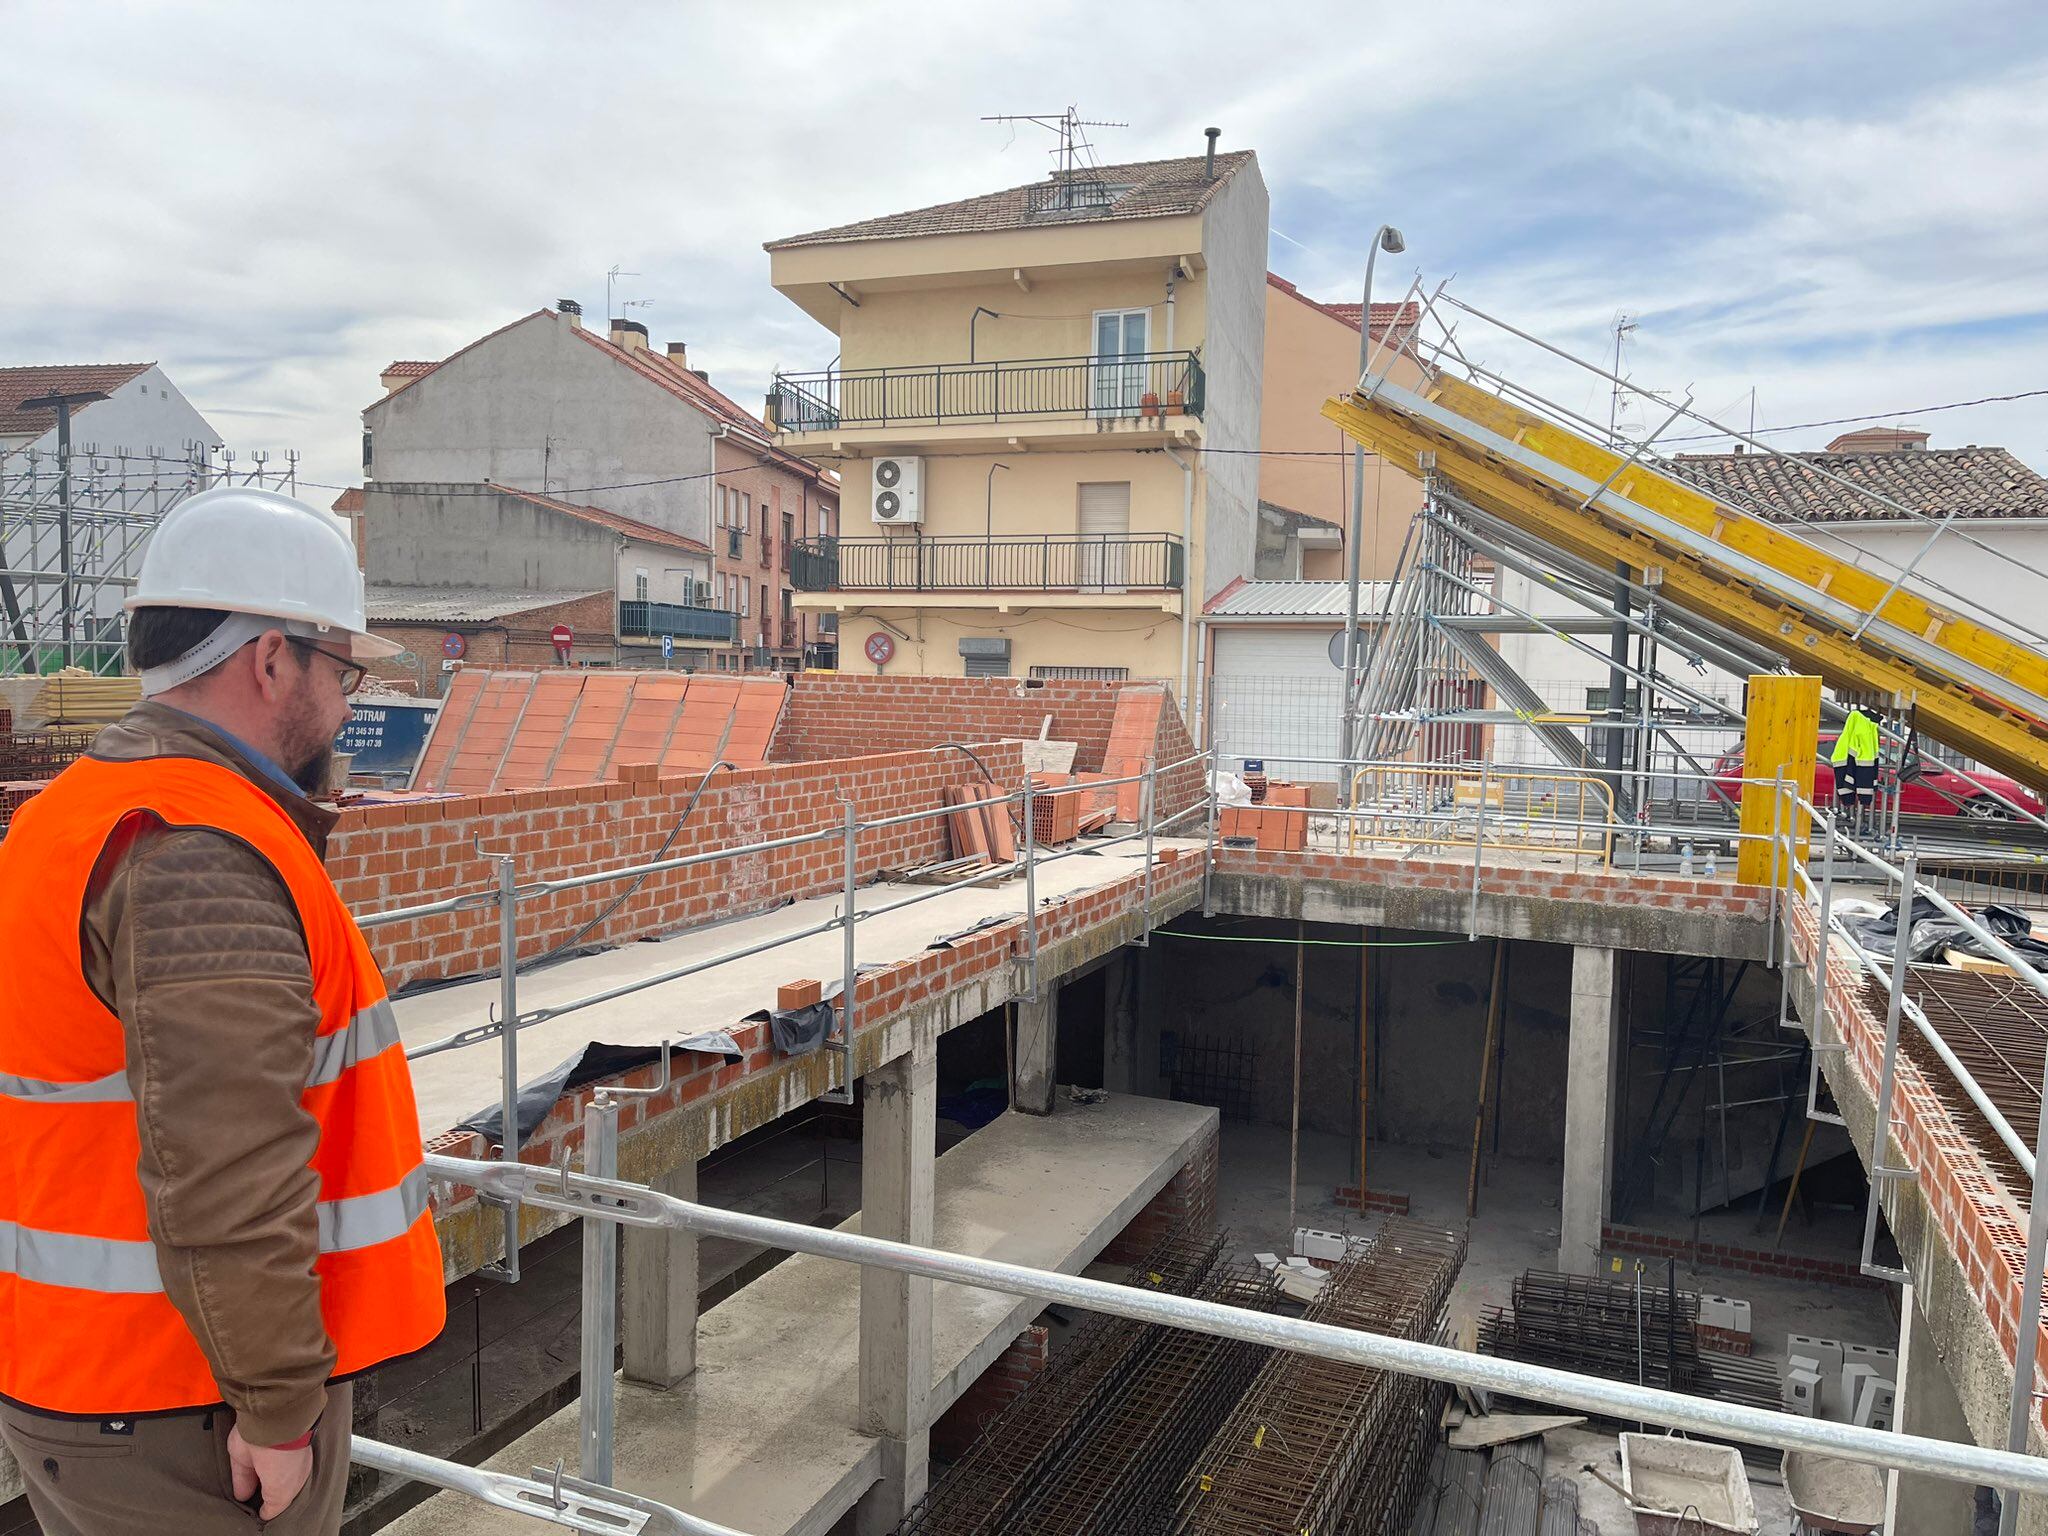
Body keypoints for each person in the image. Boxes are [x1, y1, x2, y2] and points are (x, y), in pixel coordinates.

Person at [0, 488, 446, 1535]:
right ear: (269, 660)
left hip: (104, 1379)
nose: (344, 705)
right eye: (339, 670)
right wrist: (280, 1407)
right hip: (182, 1410)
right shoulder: (194, 851)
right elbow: (228, 1165)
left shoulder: (81, 809)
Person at [1831, 702, 1882, 833]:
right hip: (1860, 773)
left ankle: (1852, 811)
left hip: (1849, 770)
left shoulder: (1857, 726)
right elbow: (1866, 763)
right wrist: (1865, 797)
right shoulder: (1865, 730)